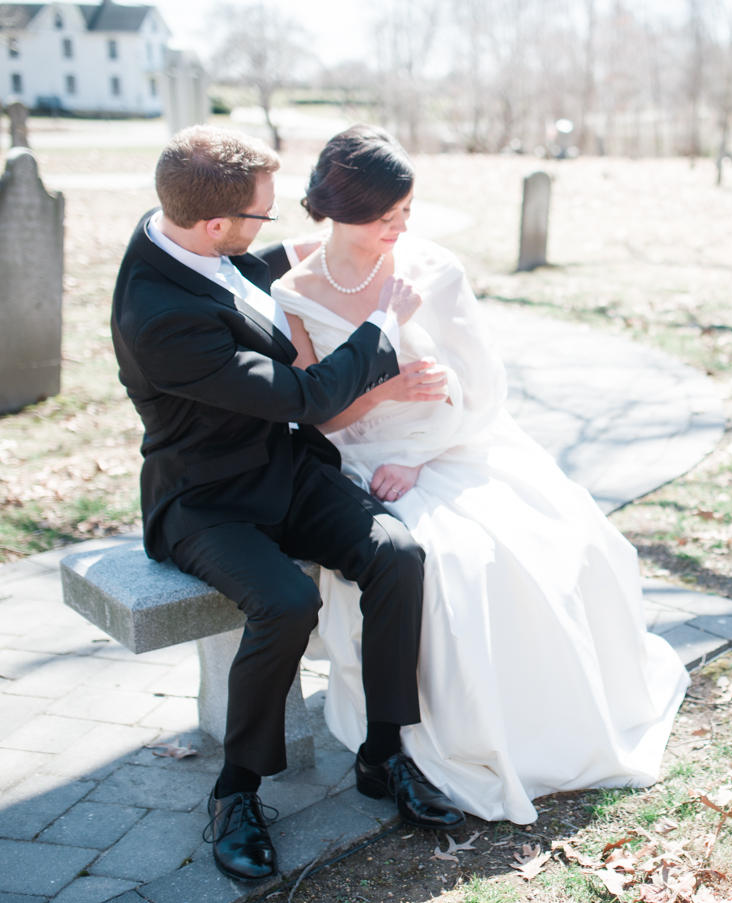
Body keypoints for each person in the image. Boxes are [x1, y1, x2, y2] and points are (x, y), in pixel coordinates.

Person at [270, 125, 690, 824]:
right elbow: (322, 416)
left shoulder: (432, 269)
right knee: (450, 562)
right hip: (363, 460)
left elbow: (484, 385)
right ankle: (416, 738)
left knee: (552, 543)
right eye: (385, 217)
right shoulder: (296, 291)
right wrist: (388, 393)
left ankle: (542, 723)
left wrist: (422, 452)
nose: (400, 229)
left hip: (452, 439)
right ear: (339, 209)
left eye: (407, 212)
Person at [110, 125, 467, 884]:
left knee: (397, 555)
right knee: (285, 600)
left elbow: (251, 272)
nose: (270, 229)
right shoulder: (160, 316)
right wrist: (378, 325)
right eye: (262, 216)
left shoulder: (189, 237)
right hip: (208, 500)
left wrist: (338, 251)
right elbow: (302, 395)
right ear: (216, 223)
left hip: (289, 472)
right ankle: (236, 790)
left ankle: (383, 752)